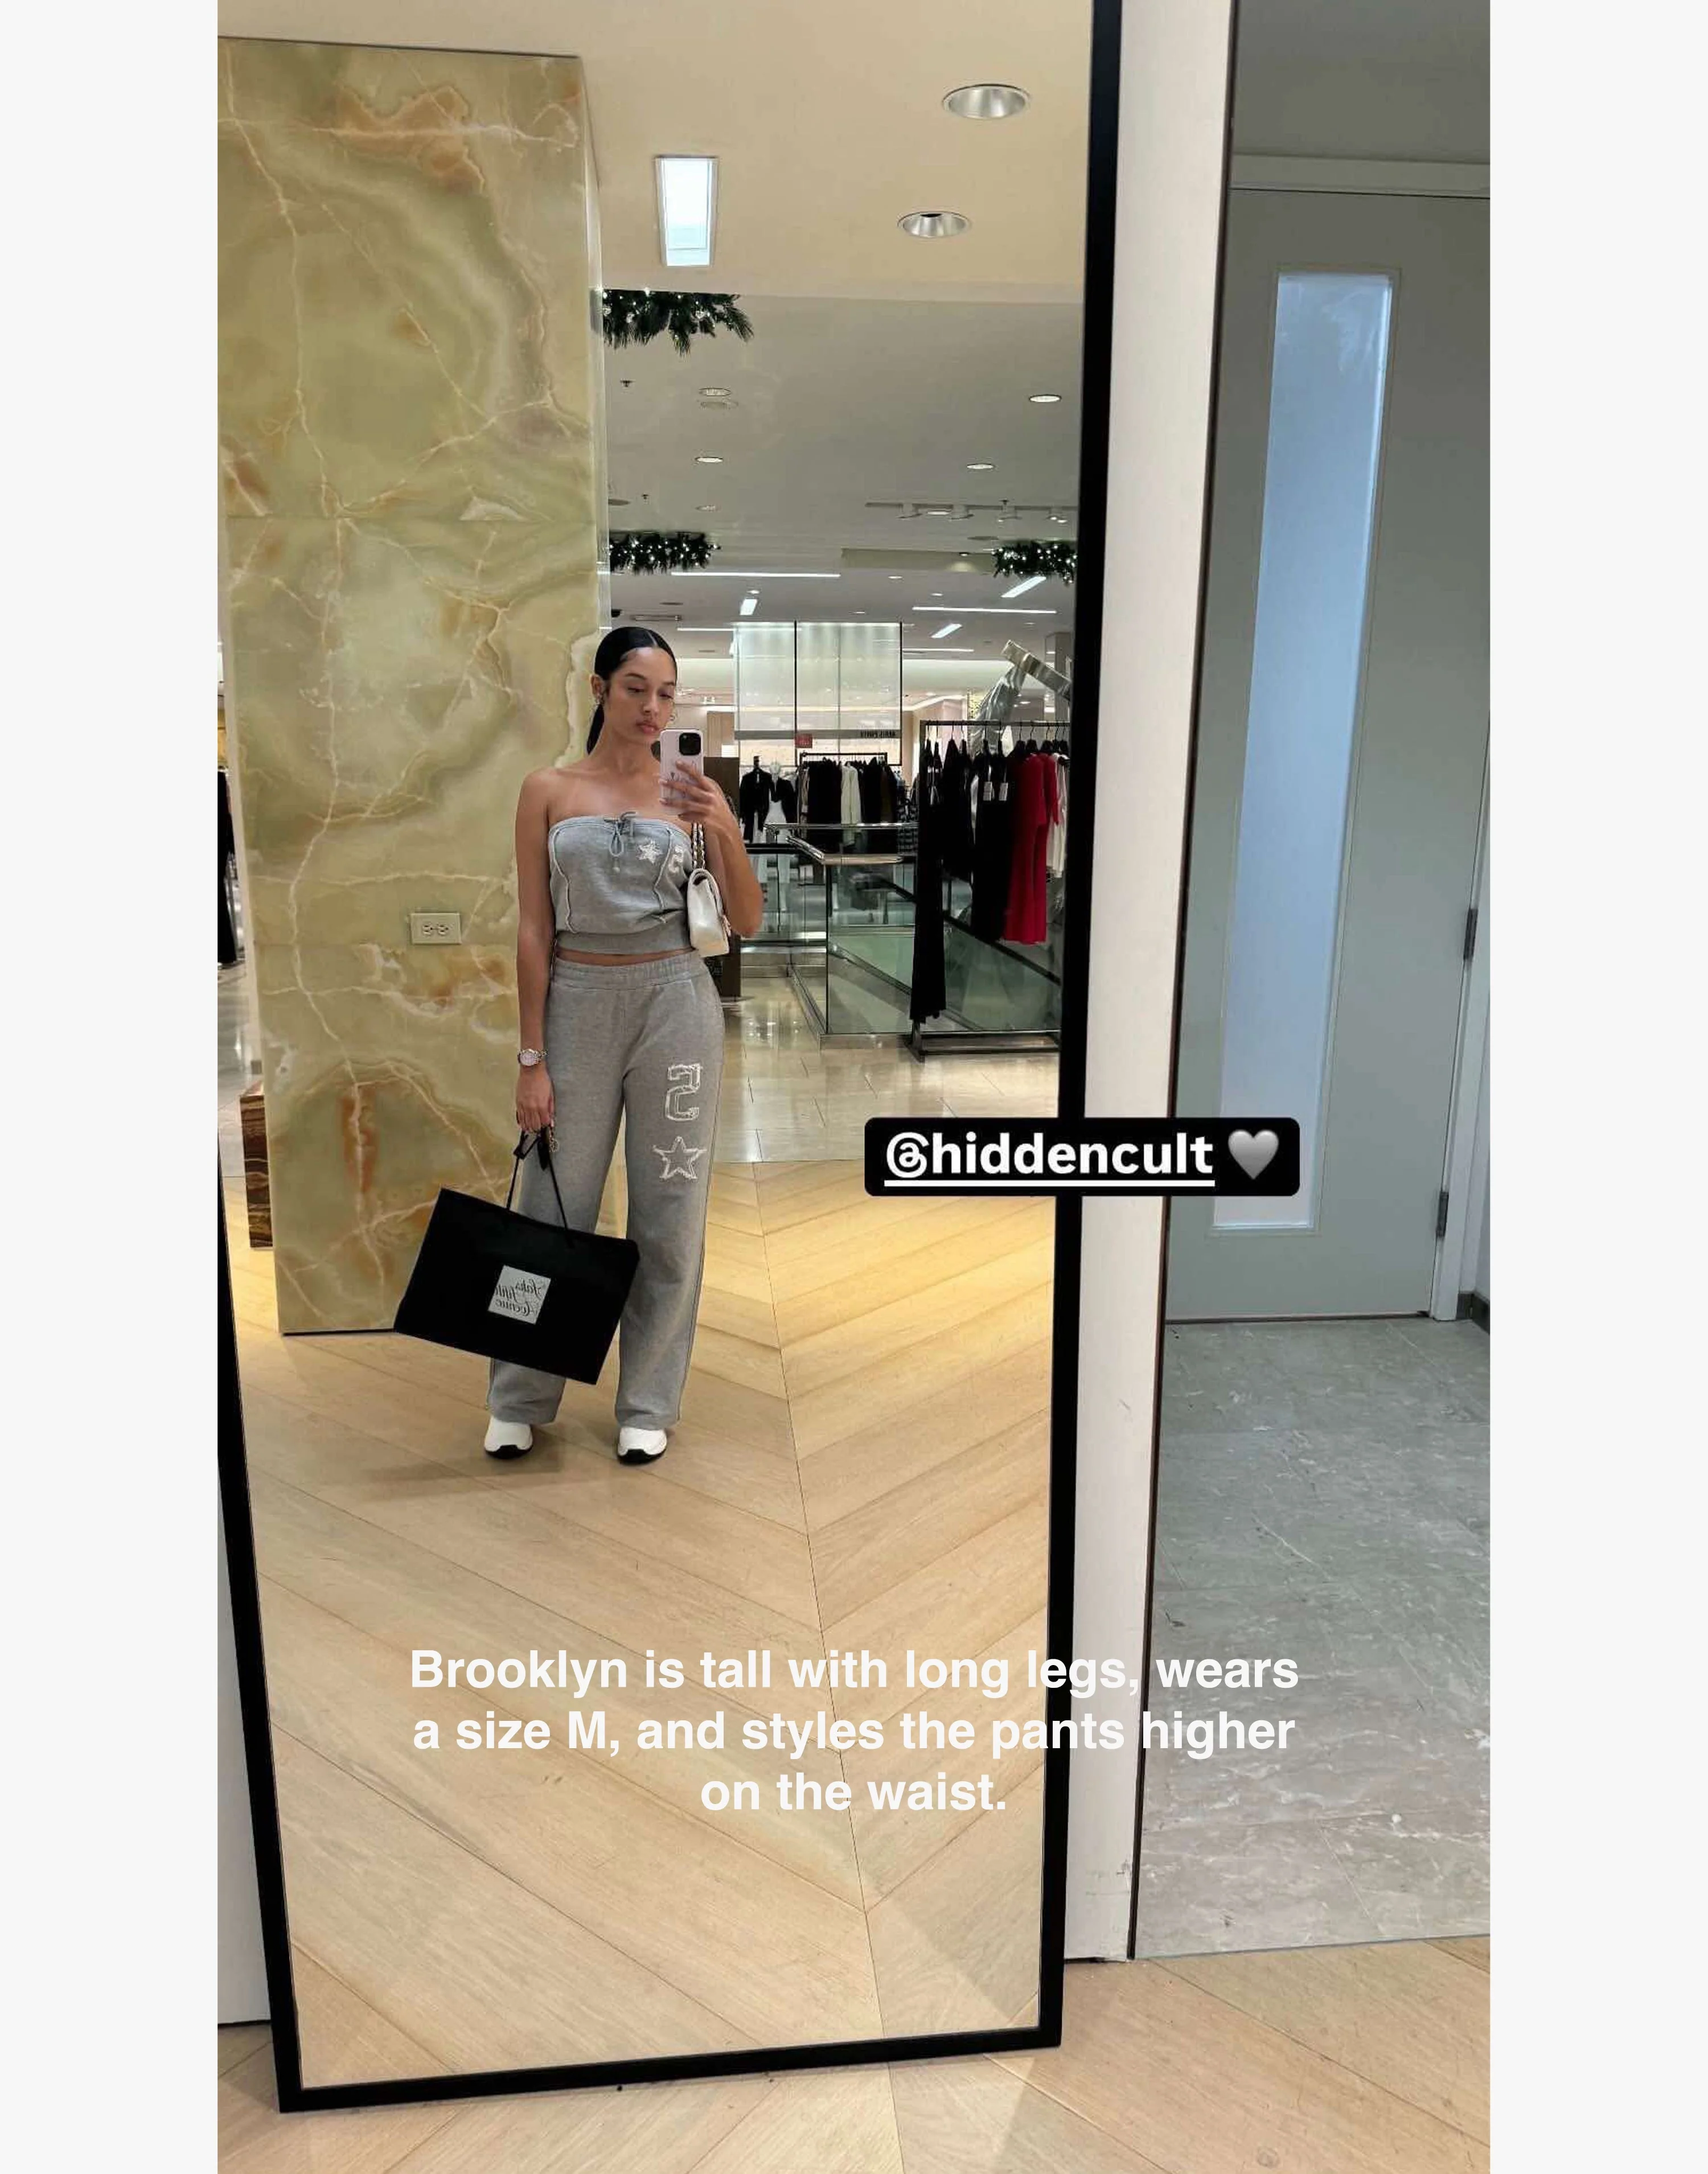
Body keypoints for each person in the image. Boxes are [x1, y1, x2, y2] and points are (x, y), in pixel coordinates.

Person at [485, 627, 763, 1466]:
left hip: (676, 1001)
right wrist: (530, 1057)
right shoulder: (547, 789)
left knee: (669, 1212)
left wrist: (725, 826)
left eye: (667, 693)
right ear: (600, 689)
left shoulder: (691, 795)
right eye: (637, 688)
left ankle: (648, 1401)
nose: (653, 707)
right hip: (576, 999)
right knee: (549, 1204)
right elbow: (534, 929)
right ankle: (519, 1394)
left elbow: (747, 922)